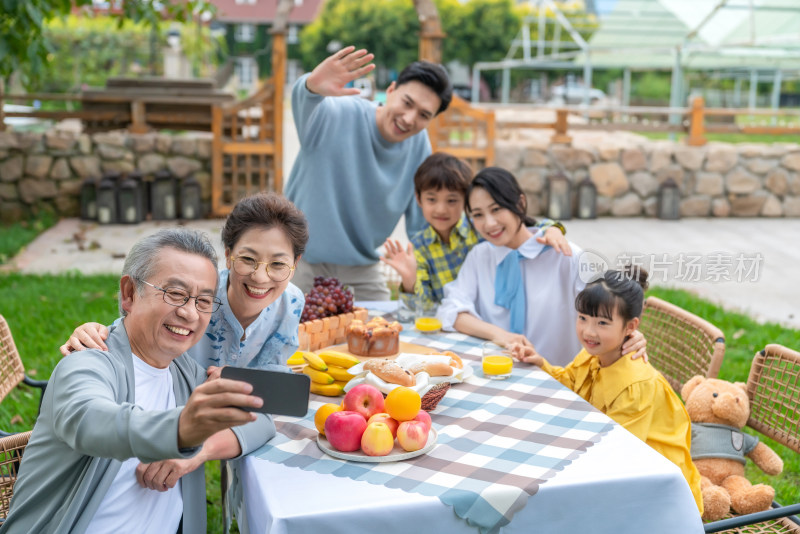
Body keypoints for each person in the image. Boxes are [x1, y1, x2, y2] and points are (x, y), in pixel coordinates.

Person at [1, 228, 271, 533]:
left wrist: (200, 451)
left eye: (203, 301)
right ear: (130, 293)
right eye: (175, 293)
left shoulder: (184, 372)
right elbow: (91, 422)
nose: (189, 313)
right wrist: (181, 430)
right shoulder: (88, 361)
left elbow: (263, 419)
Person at [510, 267, 704, 515]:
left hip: (656, 493)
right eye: (583, 318)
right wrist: (540, 363)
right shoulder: (596, 352)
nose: (589, 331)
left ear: (630, 326)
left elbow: (617, 452)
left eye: (602, 322)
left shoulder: (636, 386)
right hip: (609, 468)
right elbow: (572, 383)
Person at [60, 192, 308, 370]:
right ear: (229, 255)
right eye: (248, 258)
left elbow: (272, 374)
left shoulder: (292, 302)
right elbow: (139, 333)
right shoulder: (197, 295)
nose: (260, 277)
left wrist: (237, 385)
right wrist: (95, 334)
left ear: (295, 264)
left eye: (278, 264)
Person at [285, 45, 453, 300]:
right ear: (391, 90)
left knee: (385, 333)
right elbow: (304, 104)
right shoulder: (338, 113)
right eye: (407, 103)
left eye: (423, 115)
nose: (409, 118)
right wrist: (311, 85)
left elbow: (422, 224)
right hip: (299, 262)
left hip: (362, 269)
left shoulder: (420, 148)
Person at [436, 167, 645, 366]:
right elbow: (451, 310)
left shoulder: (565, 256)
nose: (489, 223)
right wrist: (500, 335)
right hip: (496, 374)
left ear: (519, 203)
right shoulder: (479, 257)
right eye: (478, 215)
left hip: (561, 381)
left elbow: (607, 311)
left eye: (496, 209)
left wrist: (631, 334)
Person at [380, 152, 571, 307]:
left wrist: (552, 229)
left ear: (466, 202)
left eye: (452, 200)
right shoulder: (420, 245)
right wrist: (410, 280)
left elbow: (523, 230)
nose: (441, 209)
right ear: (419, 199)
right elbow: (424, 309)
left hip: (495, 314)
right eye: (432, 199)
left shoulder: (481, 227)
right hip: (454, 323)